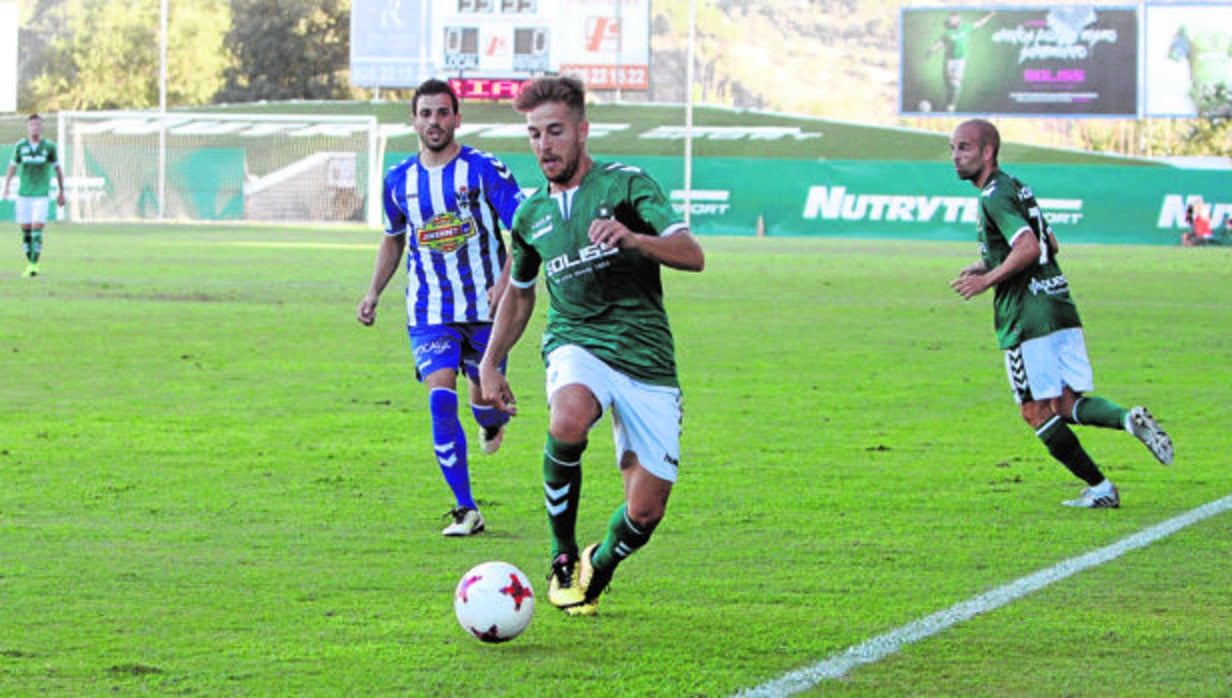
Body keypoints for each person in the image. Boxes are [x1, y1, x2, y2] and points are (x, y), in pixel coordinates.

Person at [477, 75, 705, 616]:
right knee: (568, 417)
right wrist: (490, 362)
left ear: (582, 130)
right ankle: (560, 553)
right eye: (534, 134)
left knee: (645, 513)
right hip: (576, 341)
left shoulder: (626, 187)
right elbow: (520, 295)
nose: (543, 145)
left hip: (647, 358)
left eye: (554, 131)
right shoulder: (530, 216)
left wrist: (634, 239)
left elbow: (692, 253)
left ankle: (596, 565)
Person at [948, 118, 1174, 509]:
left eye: (964, 148)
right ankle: (1126, 420)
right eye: (952, 149)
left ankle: (1101, 488)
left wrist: (989, 281)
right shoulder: (1016, 185)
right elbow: (1051, 242)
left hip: (1026, 316)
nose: (955, 157)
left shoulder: (992, 197)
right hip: (1059, 303)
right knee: (1065, 403)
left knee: (1034, 410)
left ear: (988, 152)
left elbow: (1032, 247)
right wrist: (986, 265)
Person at [357, 78, 524, 537]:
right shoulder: (399, 181)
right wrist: (373, 292)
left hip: (487, 311)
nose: (434, 121)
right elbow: (393, 240)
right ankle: (466, 509)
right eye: (426, 113)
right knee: (439, 397)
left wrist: (505, 282)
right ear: (413, 119)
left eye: (442, 113)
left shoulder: (486, 170)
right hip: (429, 310)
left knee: (483, 403)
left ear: (457, 119)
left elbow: (524, 232)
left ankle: (489, 424)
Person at [3, 113, 66, 277]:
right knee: (25, 230)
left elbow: (58, 170)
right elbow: (12, 167)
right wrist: (6, 187)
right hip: (23, 194)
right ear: (27, 127)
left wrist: (61, 191)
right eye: (32, 125)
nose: (35, 127)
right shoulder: (20, 147)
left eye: (38, 124)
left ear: (41, 127)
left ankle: (33, 265)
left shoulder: (49, 147)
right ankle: (29, 262)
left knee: (37, 228)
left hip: (41, 195)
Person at [926, 11, 996, 112]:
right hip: (950, 60)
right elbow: (940, 43)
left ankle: (951, 105)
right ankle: (947, 102)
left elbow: (979, 23)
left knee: (956, 84)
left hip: (960, 61)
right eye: (950, 20)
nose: (952, 21)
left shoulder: (966, 27)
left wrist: (990, 15)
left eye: (953, 19)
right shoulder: (947, 33)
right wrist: (932, 50)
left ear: (958, 19)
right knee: (950, 83)